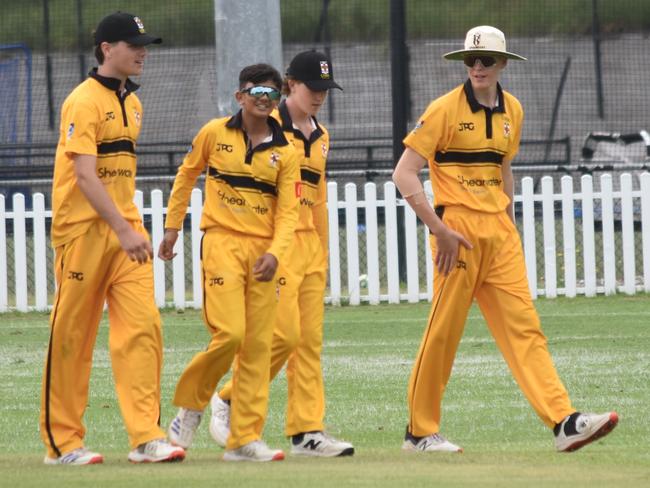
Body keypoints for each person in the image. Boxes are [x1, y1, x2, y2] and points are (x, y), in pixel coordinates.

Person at [392, 25, 618, 453]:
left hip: (499, 234)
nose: (478, 67)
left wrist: (509, 220)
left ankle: (563, 421)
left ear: (502, 64)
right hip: (456, 231)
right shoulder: (442, 110)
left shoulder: (513, 109)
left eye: (487, 60)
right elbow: (403, 172)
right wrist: (439, 230)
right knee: (443, 333)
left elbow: (503, 169)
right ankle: (419, 433)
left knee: (525, 330)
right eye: (471, 60)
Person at [40, 12, 185, 465]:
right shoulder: (82, 102)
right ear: (107, 48)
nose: (142, 52)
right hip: (83, 233)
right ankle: (62, 443)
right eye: (133, 43)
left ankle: (147, 437)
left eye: (144, 44)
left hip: (126, 234)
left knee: (143, 330)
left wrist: (128, 227)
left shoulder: (134, 103)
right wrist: (122, 229)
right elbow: (84, 176)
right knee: (72, 337)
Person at [209, 51, 354, 457]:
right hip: (278, 244)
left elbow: (319, 198)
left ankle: (308, 432)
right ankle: (230, 398)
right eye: (313, 88)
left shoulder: (322, 136)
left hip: (310, 248)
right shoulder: (268, 126)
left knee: (309, 341)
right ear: (290, 84)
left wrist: (323, 252)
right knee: (283, 336)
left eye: (326, 89)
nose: (320, 97)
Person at [160, 64, 301, 462]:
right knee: (232, 335)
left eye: (271, 93)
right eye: (255, 90)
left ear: (278, 102)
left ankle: (244, 438)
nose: (263, 97)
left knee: (258, 346)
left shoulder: (285, 153)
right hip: (221, 242)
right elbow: (187, 176)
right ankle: (191, 405)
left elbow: (290, 212)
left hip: (262, 254)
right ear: (239, 96)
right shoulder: (214, 133)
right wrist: (173, 227)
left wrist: (276, 253)